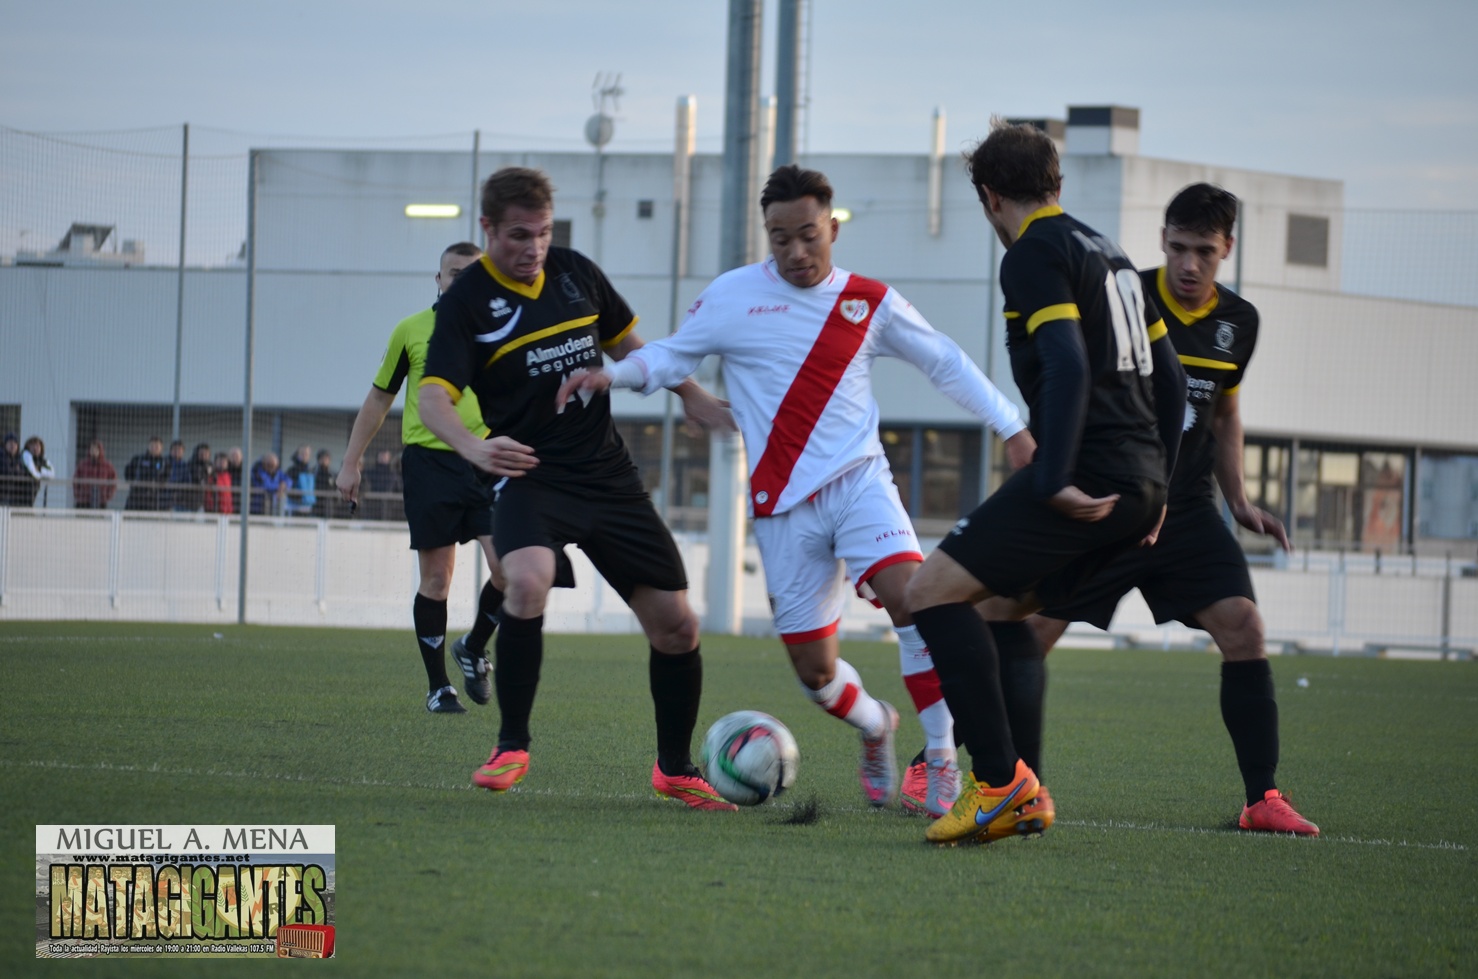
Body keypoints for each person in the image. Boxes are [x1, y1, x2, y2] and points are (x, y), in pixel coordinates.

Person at [559, 163, 1036, 814]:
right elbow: (674, 353)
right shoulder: (733, 295)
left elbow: (943, 359)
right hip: (783, 508)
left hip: (860, 481)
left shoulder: (868, 300)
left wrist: (1010, 424)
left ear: (832, 227)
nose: (795, 251)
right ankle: (876, 725)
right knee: (816, 674)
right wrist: (615, 375)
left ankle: (941, 759)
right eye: (779, 237)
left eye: (808, 234)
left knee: (916, 600)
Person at [904, 118, 1187, 845]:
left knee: (929, 590)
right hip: (1140, 484)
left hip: (1086, 476)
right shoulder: (1113, 253)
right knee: (999, 610)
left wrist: (1055, 477)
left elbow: (1065, 363)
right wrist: (1160, 488)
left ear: (990, 196)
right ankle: (1021, 791)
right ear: (1057, 186)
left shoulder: (1033, 252)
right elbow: (1174, 380)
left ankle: (1000, 784)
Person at [420, 166, 737, 809]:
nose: (532, 248)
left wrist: (695, 396)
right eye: (516, 236)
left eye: (541, 233)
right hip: (532, 475)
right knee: (527, 579)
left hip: (609, 476)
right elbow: (432, 398)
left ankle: (675, 768)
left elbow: (634, 346)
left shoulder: (575, 272)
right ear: (487, 229)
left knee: (677, 626)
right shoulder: (465, 303)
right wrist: (475, 446)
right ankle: (511, 746)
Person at [1026, 183, 1317, 835]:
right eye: (1179, 247)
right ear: (1161, 240)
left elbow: (1227, 414)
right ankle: (964, 768)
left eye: (1205, 252)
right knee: (1027, 632)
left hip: (1186, 511)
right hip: (1109, 502)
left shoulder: (1239, 322)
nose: (1189, 264)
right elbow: (1069, 384)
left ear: (1227, 250)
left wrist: (1238, 499)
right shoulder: (1124, 297)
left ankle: (1262, 799)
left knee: (1244, 626)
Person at [337, 242, 509, 714]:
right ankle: (439, 687)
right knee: (437, 580)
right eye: (453, 274)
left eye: (472, 274)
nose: (461, 281)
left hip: (489, 460)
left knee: (509, 570)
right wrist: (351, 462)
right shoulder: (412, 331)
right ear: (439, 280)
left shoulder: (503, 331)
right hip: (431, 463)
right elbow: (378, 399)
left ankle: (473, 647)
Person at [124, 437, 169, 511]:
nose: (154, 448)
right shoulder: (138, 459)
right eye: (152, 446)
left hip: (155, 498)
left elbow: (167, 477)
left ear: (161, 448)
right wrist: (132, 483)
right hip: (136, 497)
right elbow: (128, 471)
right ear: (148, 446)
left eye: (156, 446)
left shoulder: (165, 463)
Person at [73, 439, 118, 509]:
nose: (93, 451)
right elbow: (76, 480)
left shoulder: (107, 466)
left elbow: (113, 481)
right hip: (84, 500)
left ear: (100, 451)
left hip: (101, 500)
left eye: (95, 449)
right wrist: (78, 494)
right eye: (92, 449)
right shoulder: (83, 465)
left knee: (98, 519)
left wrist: (108, 495)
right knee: (82, 519)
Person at [362, 449, 401, 520]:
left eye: (385, 456)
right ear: (377, 457)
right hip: (372, 506)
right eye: (382, 456)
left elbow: (397, 490)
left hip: (389, 508)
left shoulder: (393, 475)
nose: (383, 458)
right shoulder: (370, 473)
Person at [18, 435, 56, 506]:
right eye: (32, 445)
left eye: (37, 446)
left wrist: (40, 469)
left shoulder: (43, 460)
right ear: (28, 447)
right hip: (21, 489)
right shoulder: (26, 455)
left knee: (28, 505)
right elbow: (33, 473)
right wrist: (42, 474)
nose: (35, 448)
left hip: (33, 490)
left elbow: (52, 474)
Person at [284, 444, 317, 517]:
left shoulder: (311, 471)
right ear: (298, 454)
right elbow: (287, 488)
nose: (305, 456)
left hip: (308, 508)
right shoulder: (292, 470)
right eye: (303, 453)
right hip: (294, 508)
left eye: (307, 454)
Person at [0, 433, 28, 506]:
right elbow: (5, 471)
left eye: (15, 443)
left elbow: (23, 472)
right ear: (5, 445)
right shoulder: (2, 455)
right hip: (3, 491)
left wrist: (14, 470)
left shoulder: (19, 457)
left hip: (14, 492)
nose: (13, 446)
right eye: (10, 443)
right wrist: (16, 469)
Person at [312, 449, 337, 519]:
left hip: (329, 503)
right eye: (322, 458)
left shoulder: (333, 474)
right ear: (318, 460)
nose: (324, 460)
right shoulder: (313, 472)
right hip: (316, 502)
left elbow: (335, 487)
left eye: (326, 458)